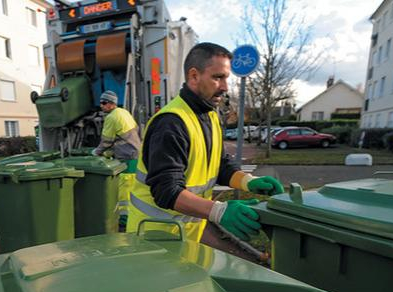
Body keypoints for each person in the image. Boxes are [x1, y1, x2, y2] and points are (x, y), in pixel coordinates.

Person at [126, 42, 285, 243]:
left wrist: (248, 181)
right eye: (218, 78)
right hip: (154, 238)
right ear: (194, 76)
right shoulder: (170, 123)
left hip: (184, 236)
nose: (225, 87)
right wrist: (219, 211)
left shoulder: (209, 115)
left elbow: (218, 164)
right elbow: (166, 191)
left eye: (226, 78)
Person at [92, 90, 141, 227]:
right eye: (101, 102)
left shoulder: (111, 117)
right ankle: (130, 219)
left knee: (124, 192)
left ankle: (124, 222)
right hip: (134, 154)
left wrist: (96, 152)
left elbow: (106, 141)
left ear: (111, 104)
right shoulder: (124, 112)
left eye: (104, 103)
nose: (101, 105)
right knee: (132, 188)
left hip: (127, 158)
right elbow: (131, 134)